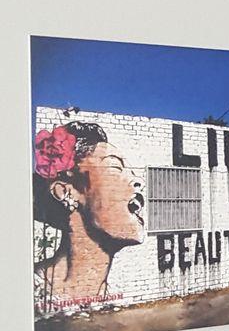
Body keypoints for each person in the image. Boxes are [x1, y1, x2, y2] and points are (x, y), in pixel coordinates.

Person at [33, 120, 145, 313]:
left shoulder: (114, 302)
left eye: (132, 172)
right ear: (65, 192)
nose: (139, 181)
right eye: (115, 167)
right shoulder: (27, 293)